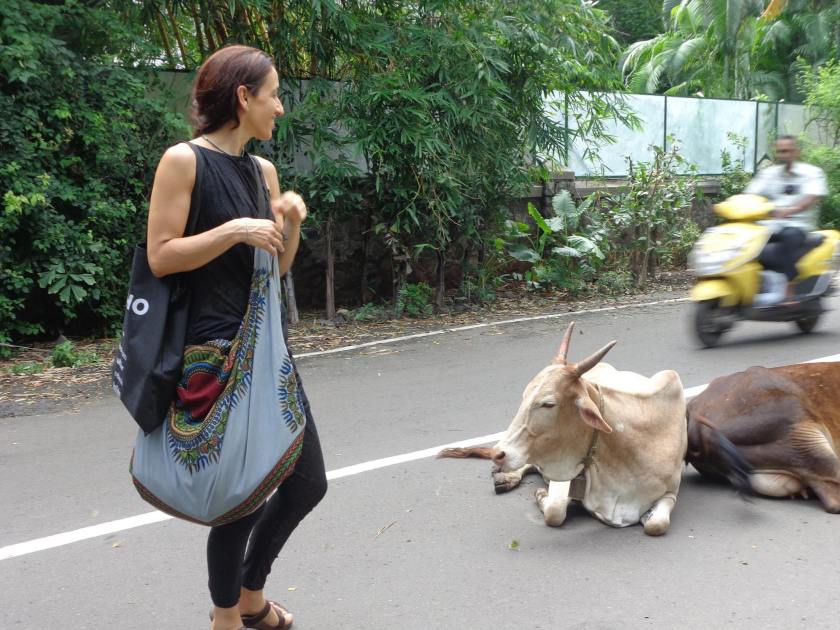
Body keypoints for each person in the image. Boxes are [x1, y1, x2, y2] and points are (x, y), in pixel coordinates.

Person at [146, 45, 327, 630]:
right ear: (243, 98)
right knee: (237, 496)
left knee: (306, 484)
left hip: (267, 352)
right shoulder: (184, 162)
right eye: (273, 94)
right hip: (213, 356)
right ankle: (229, 615)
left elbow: (273, 270)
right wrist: (234, 229)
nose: (280, 107)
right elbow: (161, 256)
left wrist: (287, 225)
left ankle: (251, 593)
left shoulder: (262, 172)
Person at [745, 135, 827, 302]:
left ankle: (789, 289)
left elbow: (813, 197)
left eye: (787, 151)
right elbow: (750, 194)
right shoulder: (769, 174)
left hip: (798, 225)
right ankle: (755, 285)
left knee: (789, 238)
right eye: (780, 151)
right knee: (747, 242)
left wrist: (791, 210)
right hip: (771, 225)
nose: (783, 155)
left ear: (796, 152)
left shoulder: (811, 173)